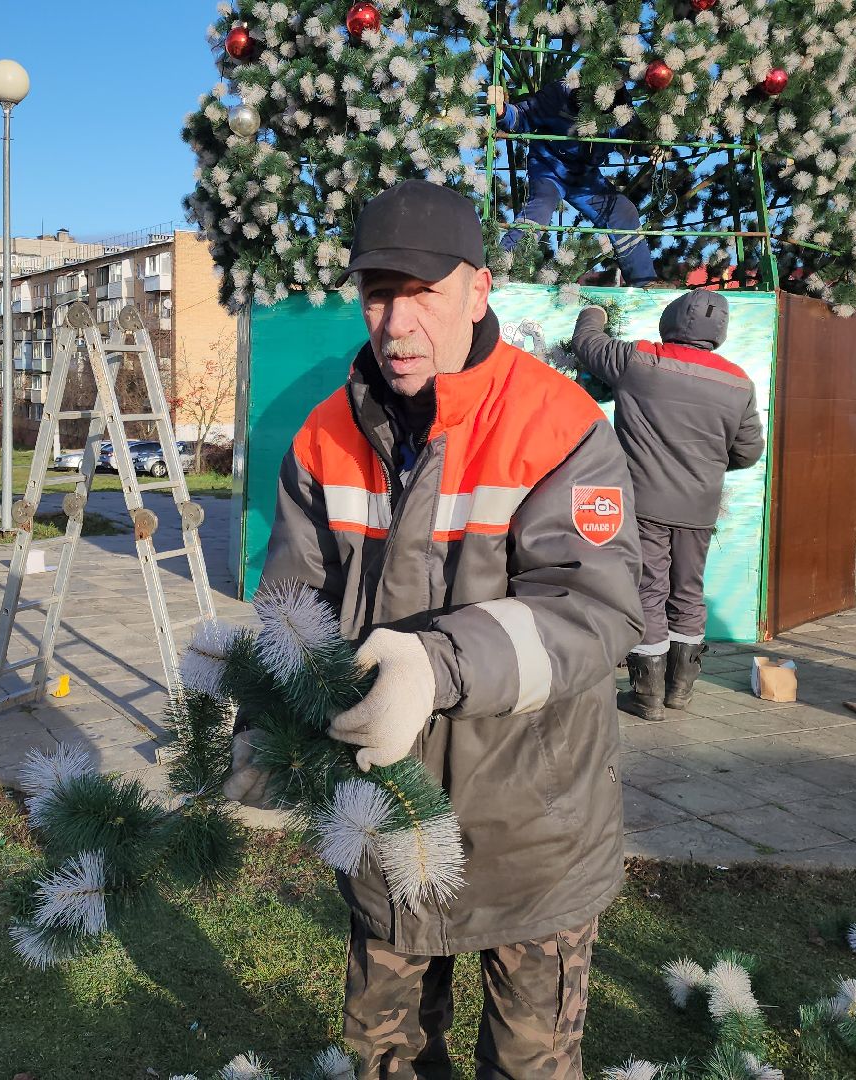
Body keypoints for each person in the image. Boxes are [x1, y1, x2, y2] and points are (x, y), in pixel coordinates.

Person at [222, 180, 643, 1078]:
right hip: (385, 827)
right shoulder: (321, 438)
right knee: (382, 1059)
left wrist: (437, 666)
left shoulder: (558, 426)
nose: (397, 321)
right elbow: (292, 606)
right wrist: (262, 723)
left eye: (425, 292)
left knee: (525, 1068)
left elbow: (596, 611)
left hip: (535, 836)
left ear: (480, 291)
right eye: (379, 292)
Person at [569, 291, 764, 721]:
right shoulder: (738, 383)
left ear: (671, 319)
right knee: (688, 592)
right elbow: (749, 452)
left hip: (644, 504)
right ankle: (680, 692)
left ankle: (647, 696)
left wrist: (595, 309)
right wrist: (708, 465)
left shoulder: (640, 361)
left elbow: (586, 342)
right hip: (700, 506)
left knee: (649, 590)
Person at [491, 79, 657, 286]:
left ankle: (644, 282)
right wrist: (502, 111)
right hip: (549, 167)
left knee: (623, 211)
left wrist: (651, 146)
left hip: (585, 177)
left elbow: (632, 137)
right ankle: (499, 268)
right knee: (541, 208)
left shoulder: (621, 107)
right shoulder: (562, 92)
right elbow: (523, 115)